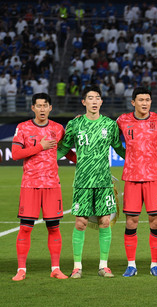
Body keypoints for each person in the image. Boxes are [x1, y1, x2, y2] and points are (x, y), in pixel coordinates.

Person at [57, 85, 126, 278]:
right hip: (82, 182)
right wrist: (44, 161)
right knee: (80, 223)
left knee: (105, 222)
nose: (94, 101)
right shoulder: (74, 125)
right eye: (90, 98)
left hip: (104, 182)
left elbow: (120, 150)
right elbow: (63, 148)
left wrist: (140, 158)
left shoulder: (110, 125)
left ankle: (104, 266)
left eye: (97, 98)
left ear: (101, 102)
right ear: (84, 102)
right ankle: (77, 267)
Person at [10, 93, 76, 281]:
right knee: (25, 228)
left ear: (50, 108)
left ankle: (55, 268)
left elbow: (67, 152)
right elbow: (15, 154)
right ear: (33, 108)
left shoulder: (58, 128)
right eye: (38, 106)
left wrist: (81, 162)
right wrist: (40, 146)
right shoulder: (22, 128)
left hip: (52, 185)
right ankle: (21, 269)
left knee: (54, 228)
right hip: (30, 185)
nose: (41, 109)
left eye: (45, 105)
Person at [116, 87, 157, 277]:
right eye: (141, 100)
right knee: (131, 222)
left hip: (154, 178)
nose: (145, 103)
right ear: (133, 103)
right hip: (132, 178)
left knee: (155, 222)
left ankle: (154, 265)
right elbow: (112, 139)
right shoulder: (123, 120)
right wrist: (128, 156)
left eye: (147, 99)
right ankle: (131, 265)